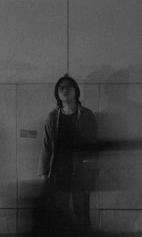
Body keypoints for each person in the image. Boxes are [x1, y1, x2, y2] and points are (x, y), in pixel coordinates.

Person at [38, 74, 98, 227]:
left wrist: (92, 174)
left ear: (76, 91)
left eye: (69, 87)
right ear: (57, 93)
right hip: (58, 172)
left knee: (82, 213)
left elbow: (92, 146)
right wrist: (44, 173)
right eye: (61, 88)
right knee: (59, 214)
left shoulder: (87, 115)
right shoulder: (53, 117)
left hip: (80, 172)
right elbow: (47, 146)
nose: (65, 90)